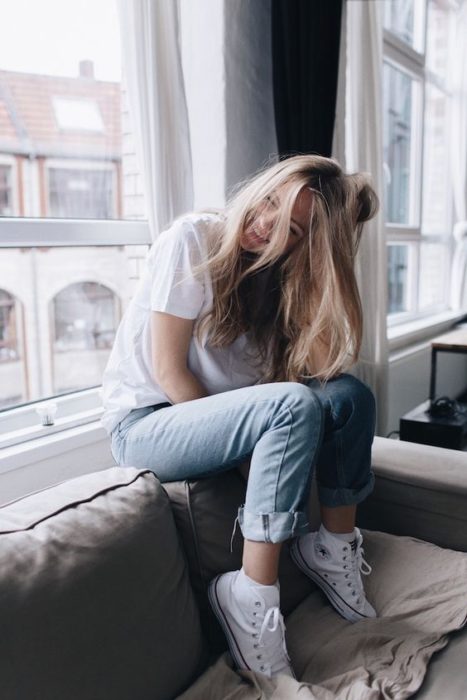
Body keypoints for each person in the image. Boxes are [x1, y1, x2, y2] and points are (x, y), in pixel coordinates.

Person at [101, 154, 379, 679]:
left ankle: (333, 547)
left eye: (291, 229)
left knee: (349, 396)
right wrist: (242, 454)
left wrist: (315, 276)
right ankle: (250, 593)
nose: (265, 224)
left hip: (230, 420)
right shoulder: (193, 238)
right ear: (260, 187)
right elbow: (169, 372)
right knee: (292, 403)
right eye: (270, 200)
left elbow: (317, 370)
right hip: (147, 424)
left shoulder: (283, 276)